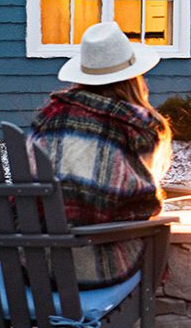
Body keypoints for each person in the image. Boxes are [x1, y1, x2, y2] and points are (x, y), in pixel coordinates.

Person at [29, 21, 172, 289]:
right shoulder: (137, 126)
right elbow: (141, 205)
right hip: (97, 264)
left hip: (33, 263)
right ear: (134, 78)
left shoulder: (48, 117)